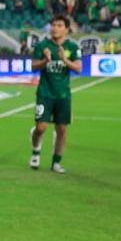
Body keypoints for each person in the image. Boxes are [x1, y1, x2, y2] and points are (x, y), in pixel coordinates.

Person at [29, 14, 80, 173]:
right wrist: (45, 60)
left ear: (66, 29)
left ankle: (56, 163)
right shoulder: (42, 46)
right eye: (53, 25)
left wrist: (65, 60)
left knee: (62, 130)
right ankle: (36, 151)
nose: (54, 28)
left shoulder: (72, 47)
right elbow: (32, 67)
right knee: (41, 128)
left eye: (59, 25)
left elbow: (78, 68)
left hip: (63, 95)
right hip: (45, 93)